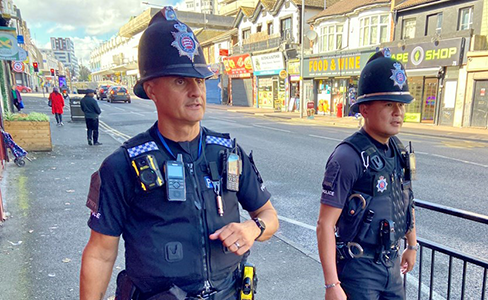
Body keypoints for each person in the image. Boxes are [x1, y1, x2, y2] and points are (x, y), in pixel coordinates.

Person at [79, 7, 278, 300]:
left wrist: (253, 228)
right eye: (181, 81)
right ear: (152, 89)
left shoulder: (227, 154)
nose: (196, 91)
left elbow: (269, 216)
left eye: (199, 80)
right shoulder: (122, 166)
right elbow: (100, 253)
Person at [316, 48, 418, 300]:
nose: (398, 112)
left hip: (391, 266)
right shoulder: (348, 156)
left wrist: (412, 244)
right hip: (359, 270)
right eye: (388, 104)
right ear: (364, 109)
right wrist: (332, 285)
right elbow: (325, 225)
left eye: (401, 105)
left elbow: (406, 198)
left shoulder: (398, 149)